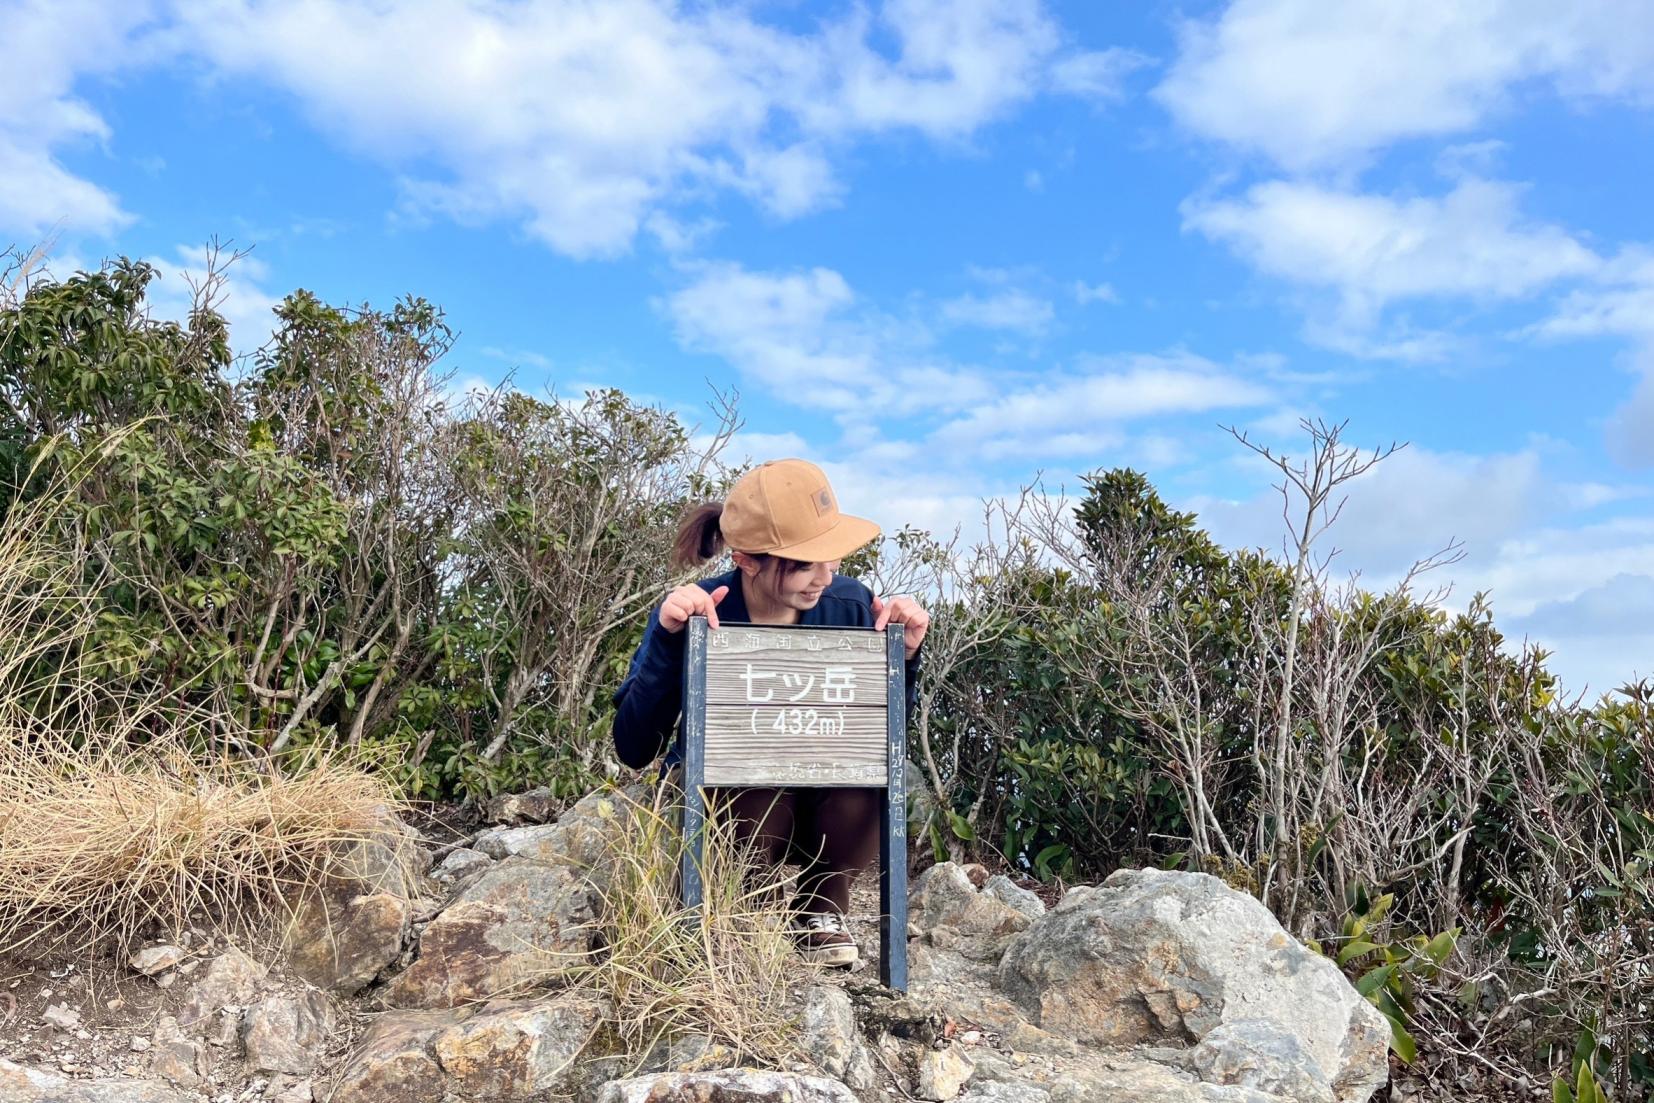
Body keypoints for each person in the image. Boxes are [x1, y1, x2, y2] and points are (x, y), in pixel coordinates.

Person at [611, 458, 930, 968]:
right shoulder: (699, 612)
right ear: (746, 560)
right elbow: (634, 745)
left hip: (824, 795)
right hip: (731, 805)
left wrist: (903, 659)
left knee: (867, 777)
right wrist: (671, 643)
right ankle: (741, 901)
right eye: (804, 563)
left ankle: (820, 907)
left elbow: (878, 735)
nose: (825, 577)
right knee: (750, 775)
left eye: (831, 558)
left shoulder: (850, 607)